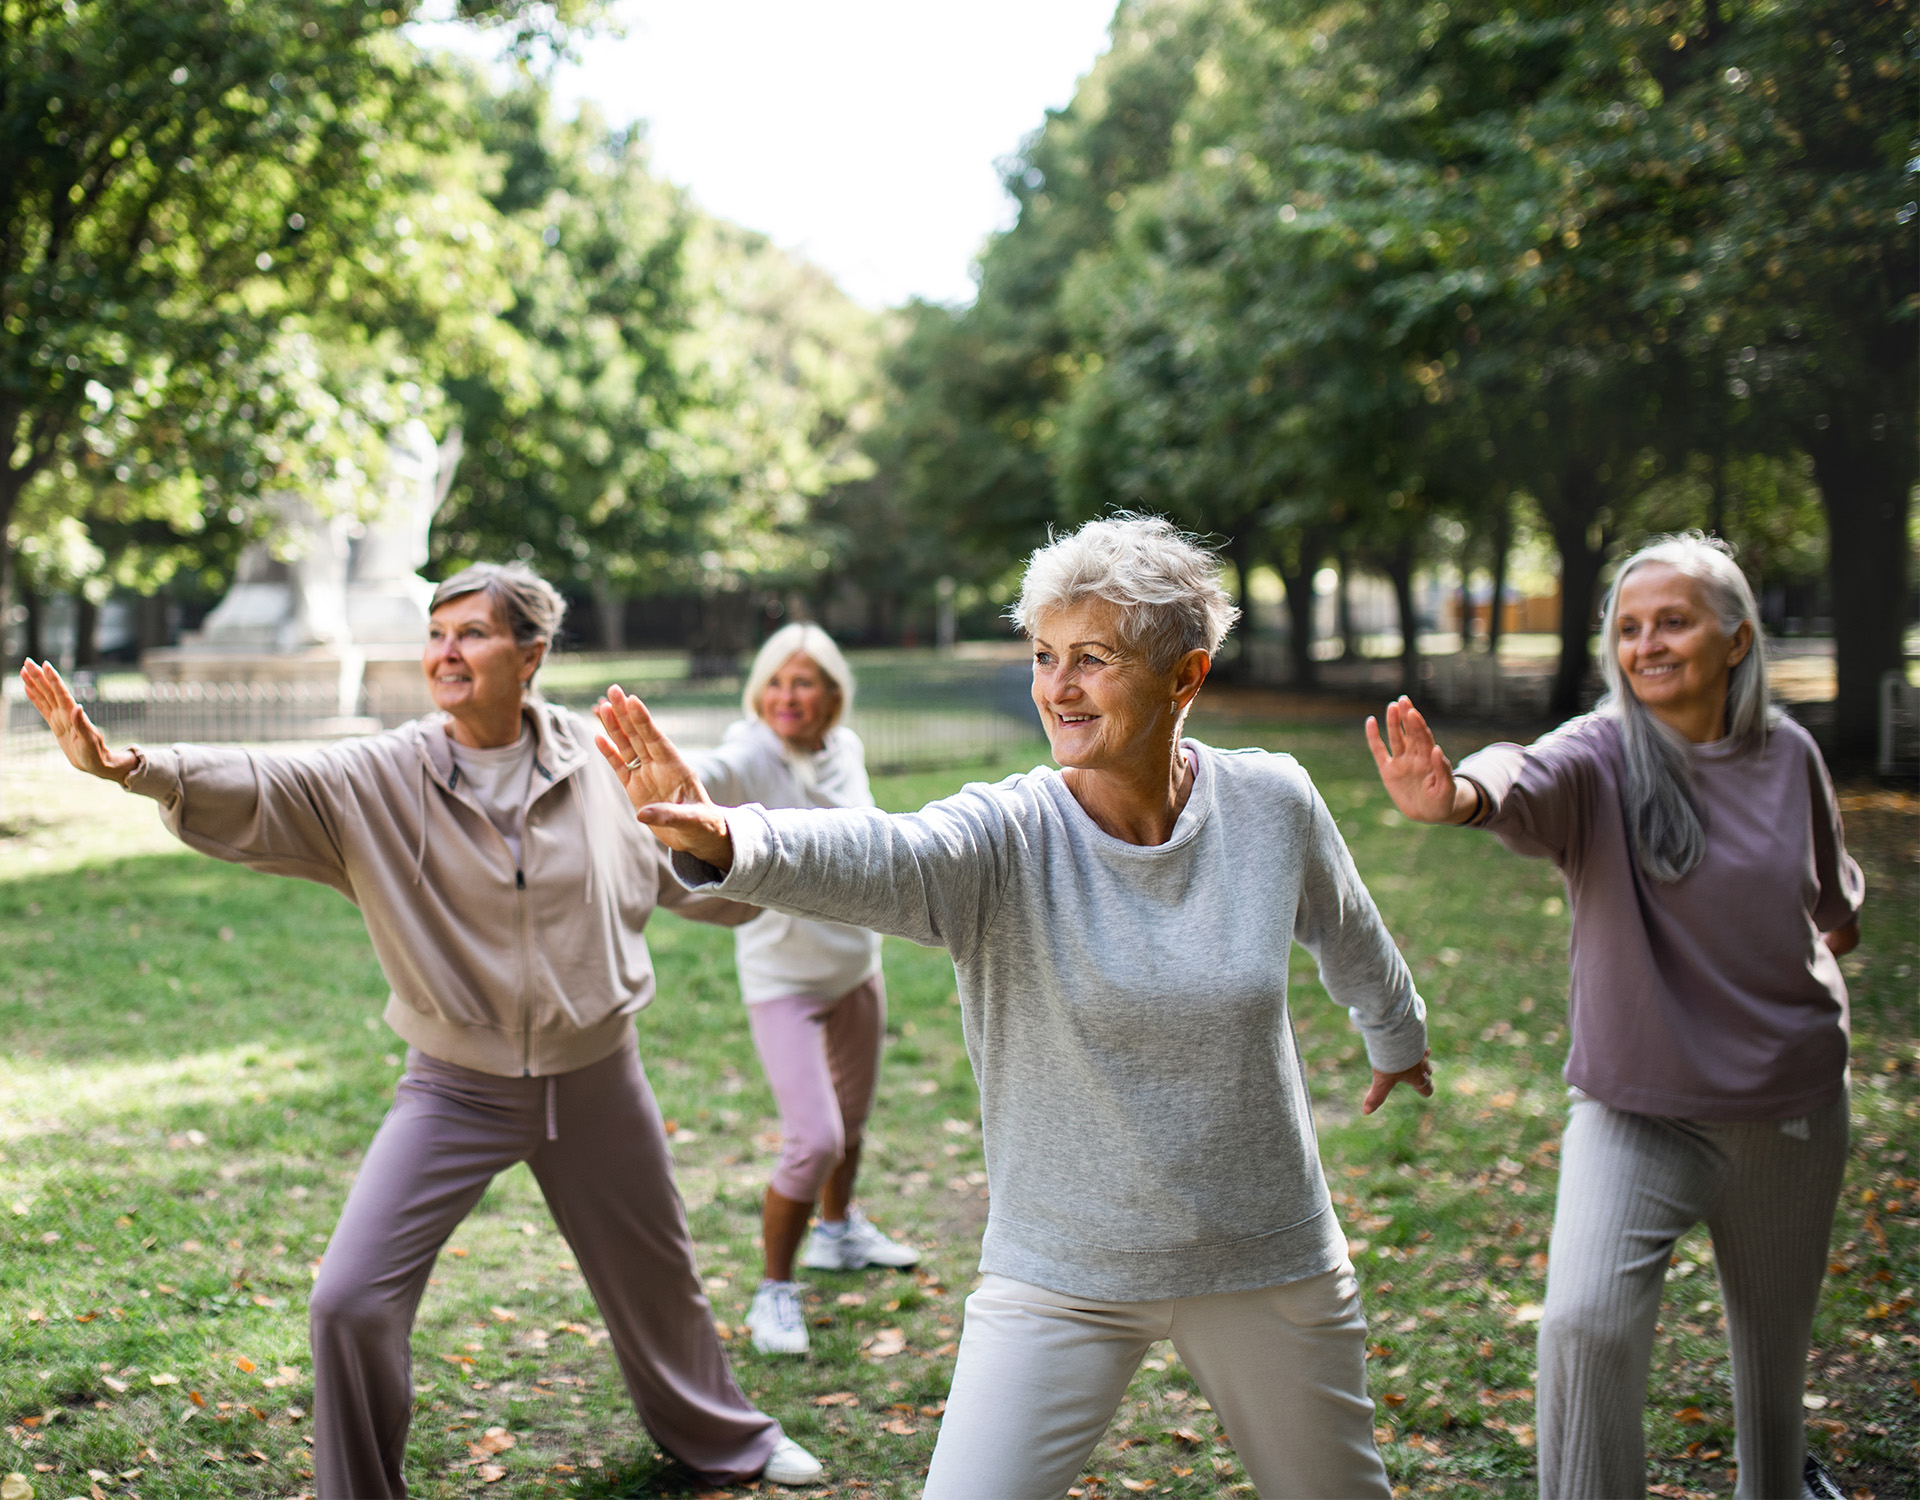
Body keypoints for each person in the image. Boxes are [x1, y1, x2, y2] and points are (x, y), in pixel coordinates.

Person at [593, 515, 1434, 1500]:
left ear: (1185, 677)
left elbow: (1349, 929)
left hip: (1264, 1257)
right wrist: (729, 839)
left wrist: (1396, 1031)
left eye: (1092, 659)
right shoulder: (1008, 832)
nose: (1057, 687)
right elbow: (882, 854)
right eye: (1043, 656)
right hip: (1060, 1272)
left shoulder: (1272, 803)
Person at [19, 563, 822, 1497]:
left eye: (472, 634)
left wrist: (718, 851)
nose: (446, 651)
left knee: (661, 1284)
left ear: (531, 654)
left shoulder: (603, 760)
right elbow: (268, 779)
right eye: (436, 633)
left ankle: (728, 1440)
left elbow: (705, 886)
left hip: (599, 1072)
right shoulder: (385, 771)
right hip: (455, 1086)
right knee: (349, 1301)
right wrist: (136, 768)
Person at [1366, 533, 1863, 1500]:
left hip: (1789, 1112)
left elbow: (1833, 919)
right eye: (1628, 629)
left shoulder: (1790, 754)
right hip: (1640, 1110)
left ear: (1736, 639)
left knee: (1773, 1367)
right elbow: (1518, 774)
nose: (1648, 645)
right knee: (1582, 1326)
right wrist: (1459, 795)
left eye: (1673, 622)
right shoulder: (1599, 757)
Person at [688, 624, 918, 1359]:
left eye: (805, 682)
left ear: (832, 694)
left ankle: (838, 1233)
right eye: (778, 682)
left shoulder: (843, 750)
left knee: (850, 1126)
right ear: (760, 690)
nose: (789, 697)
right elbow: (709, 775)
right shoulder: (751, 751)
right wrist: (668, 778)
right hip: (783, 979)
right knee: (813, 1138)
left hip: (856, 964)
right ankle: (773, 1290)